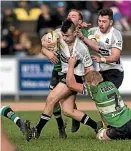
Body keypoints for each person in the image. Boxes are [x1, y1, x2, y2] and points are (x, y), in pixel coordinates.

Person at [29, 19, 101, 141]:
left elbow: (89, 68)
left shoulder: (81, 48)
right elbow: (43, 45)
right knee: (68, 111)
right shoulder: (58, 35)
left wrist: (91, 84)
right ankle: (96, 126)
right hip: (63, 74)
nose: (64, 38)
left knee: (51, 99)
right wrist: (47, 52)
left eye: (67, 36)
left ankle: (37, 130)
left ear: (74, 33)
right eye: (63, 35)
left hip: (75, 77)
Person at [39, 9, 92, 138]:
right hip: (58, 70)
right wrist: (47, 50)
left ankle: (74, 117)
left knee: (60, 102)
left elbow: (90, 50)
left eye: (73, 16)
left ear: (79, 22)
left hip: (74, 73)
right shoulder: (60, 32)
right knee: (54, 101)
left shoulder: (85, 35)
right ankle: (60, 126)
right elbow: (43, 42)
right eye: (68, 15)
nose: (69, 17)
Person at [66, 56, 131, 140]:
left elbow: (70, 84)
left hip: (121, 127)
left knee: (99, 136)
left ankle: (125, 134)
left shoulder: (93, 89)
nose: (85, 84)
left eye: (86, 82)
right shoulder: (110, 84)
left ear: (90, 83)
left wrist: (71, 65)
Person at [76, 8, 124, 89]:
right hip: (102, 72)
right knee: (96, 93)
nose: (101, 24)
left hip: (115, 72)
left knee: (107, 96)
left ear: (111, 22)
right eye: (99, 21)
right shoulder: (93, 31)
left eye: (104, 22)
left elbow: (115, 56)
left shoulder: (115, 34)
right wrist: (80, 27)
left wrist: (101, 60)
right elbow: (92, 44)